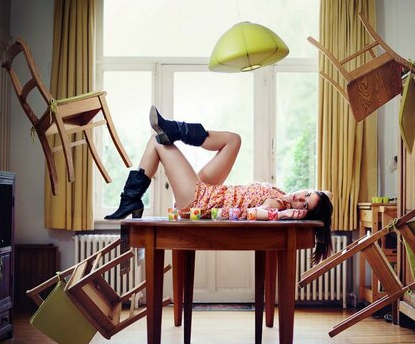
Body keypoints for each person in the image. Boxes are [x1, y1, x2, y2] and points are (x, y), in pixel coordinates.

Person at [105, 106, 334, 263]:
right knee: (233, 140)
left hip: (200, 199)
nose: (299, 198)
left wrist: (287, 214)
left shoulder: (276, 205)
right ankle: (175, 130)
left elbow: (254, 214)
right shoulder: (281, 192)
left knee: (157, 143)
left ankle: (131, 200)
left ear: (300, 213)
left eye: (304, 205)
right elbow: (328, 195)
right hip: (213, 189)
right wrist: (317, 200)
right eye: (306, 194)